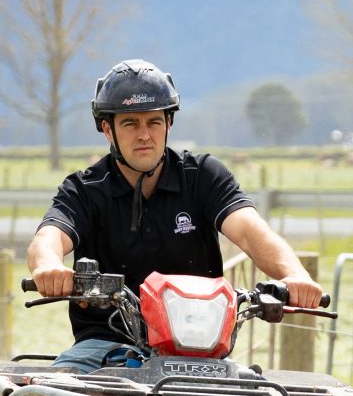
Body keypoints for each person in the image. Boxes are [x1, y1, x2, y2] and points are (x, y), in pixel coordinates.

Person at [26, 59, 323, 370]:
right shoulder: (85, 189)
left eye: (154, 122)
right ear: (107, 130)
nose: (145, 135)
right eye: (130, 123)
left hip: (200, 350)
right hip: (103, 346)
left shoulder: (202, 176)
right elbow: (48, 238)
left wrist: (295, 276)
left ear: (168, 124)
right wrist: (48, 268)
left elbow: (250, 230)